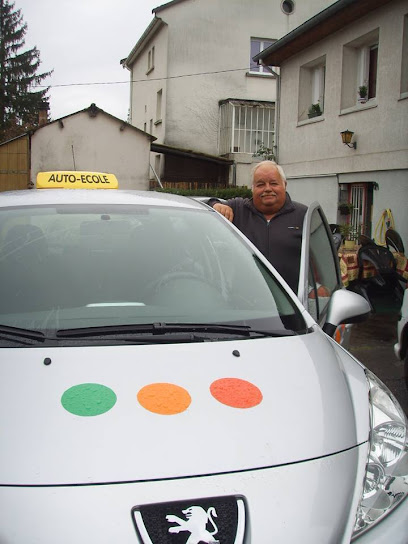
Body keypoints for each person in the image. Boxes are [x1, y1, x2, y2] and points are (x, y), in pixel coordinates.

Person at [209, 160, 307, 293]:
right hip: (246, 301)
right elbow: (206, 205)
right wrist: (216, 205)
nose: (267, 189)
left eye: (273, 183)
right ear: (253, 188)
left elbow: (318, 258)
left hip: (292, 302)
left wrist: (321, 286)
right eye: (260, 184)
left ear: (284, 185)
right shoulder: (238, 209)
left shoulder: (303, 215)